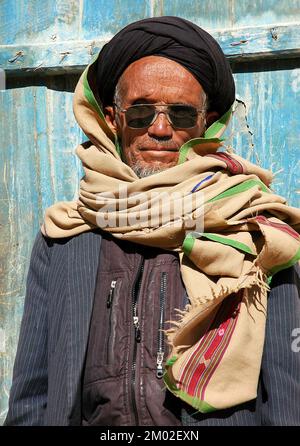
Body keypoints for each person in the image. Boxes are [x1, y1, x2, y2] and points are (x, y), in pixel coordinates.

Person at [4, 16, 300, 426]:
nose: (160, 130)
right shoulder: (66, 237)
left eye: (180, 115)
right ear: (112, 118)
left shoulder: (251, 229)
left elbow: (288, 396)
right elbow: (32, 396)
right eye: (141, 113)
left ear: (206, 122)